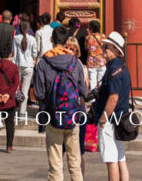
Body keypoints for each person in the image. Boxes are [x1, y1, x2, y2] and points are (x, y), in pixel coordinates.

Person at [31, 24, 88, 181]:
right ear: (67, 41)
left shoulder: (43, 63)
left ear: (51, 39)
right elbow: (84, 91)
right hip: (73, 115)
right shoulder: (75, 62)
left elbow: (39, 93)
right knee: (75, 163)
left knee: (55, 165)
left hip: (52, 115)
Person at [91, 33, 131, 181]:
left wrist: (103, 118)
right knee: (120, 157)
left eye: (106, 46)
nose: (104, 49)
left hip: (110, 119)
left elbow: (113, 98)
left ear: (115, 49)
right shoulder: (122, 67)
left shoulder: (114, 69)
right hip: (121, 119)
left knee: (111, 160)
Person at [0, 40, 20, 153]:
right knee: (10, 123)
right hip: (9, 99)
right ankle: (9, 146)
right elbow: (16, 83)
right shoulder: (13, 67)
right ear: (10, 54)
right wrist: (8, 94)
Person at [13, 16, 37, 111]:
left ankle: (16, 105)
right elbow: (35, 53)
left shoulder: (15, 38)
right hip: (29, 66)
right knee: (25, 92)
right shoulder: (32, 39)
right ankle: (22, 113)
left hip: (17, 66)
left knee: (15, 89)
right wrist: (33, 62)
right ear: (29, 29)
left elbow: (14, 52)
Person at [83, 20, 105, 93]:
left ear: (91, 28)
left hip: (91, 62)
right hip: (101, 61)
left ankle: (93, 100)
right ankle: (102, 99)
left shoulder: (88, 38)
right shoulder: (103, 36)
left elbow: (86, 48)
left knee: (92, 82)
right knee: (101, 81)